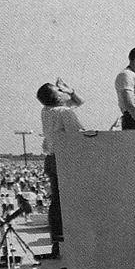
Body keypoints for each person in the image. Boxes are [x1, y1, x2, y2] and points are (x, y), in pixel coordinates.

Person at [37, 79, 86, 258]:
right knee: (69, 201)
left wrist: (70, 90)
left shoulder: (47, 110)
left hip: (51, 159)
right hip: (65, 160)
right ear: (56, 96)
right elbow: (79, 134)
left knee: (56, 202)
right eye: (59, 91)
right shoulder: (64, 112)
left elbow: (79, 101)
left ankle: (57, 243)